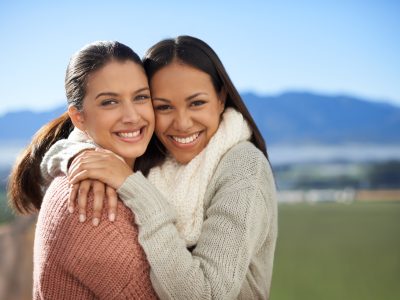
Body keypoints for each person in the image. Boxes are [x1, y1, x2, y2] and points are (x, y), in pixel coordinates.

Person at [41, 35, 278, 299]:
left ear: (221, 98)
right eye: (163, 107)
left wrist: (132, 187)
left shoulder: (243, 167)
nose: (182, 123)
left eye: (196, 103)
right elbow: (74, 139)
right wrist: (80, 155)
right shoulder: (153, 149)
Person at [7, 41, 158, 299]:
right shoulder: (89, 203)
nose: (132, 116)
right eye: (110, 102)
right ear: (79, 118)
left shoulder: (134, 172)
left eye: (141, 96)